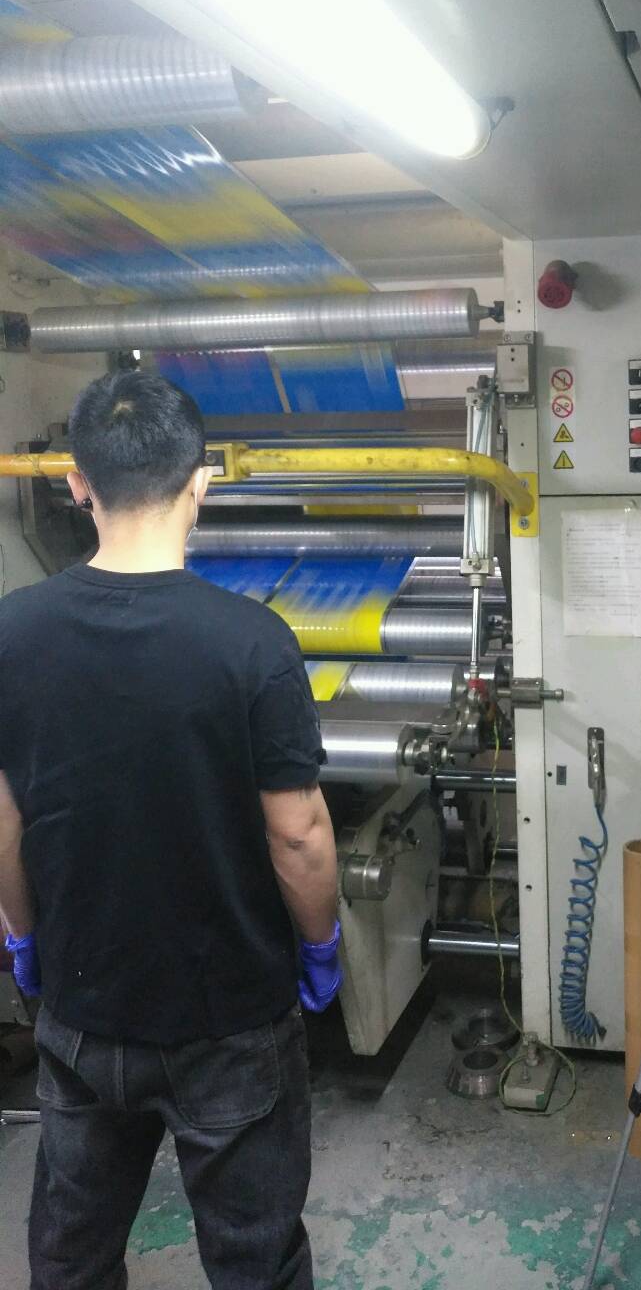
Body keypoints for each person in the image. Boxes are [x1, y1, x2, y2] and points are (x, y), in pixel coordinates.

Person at [0, 371, 342, 1290]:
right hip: (231, 1017)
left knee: (71, 1253)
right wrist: (320, 945)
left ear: (76, 483)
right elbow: (299, 836)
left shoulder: (11, 631)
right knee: (254, 1257)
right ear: (202, 481)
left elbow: (3, 819)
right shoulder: (252, 641)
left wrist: (26, 939)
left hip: (83, 1007)